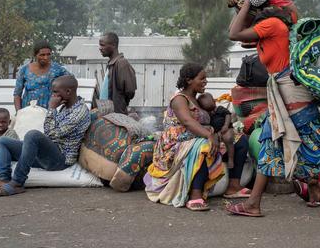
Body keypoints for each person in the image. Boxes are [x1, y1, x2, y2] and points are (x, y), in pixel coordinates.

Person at [227, 1, 320, 219]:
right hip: (281, 96)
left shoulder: (272, 25)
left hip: (293, 97)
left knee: (318, 145)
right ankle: (253, 203)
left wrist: (247, 3)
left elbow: (234, 33)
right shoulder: (269, 33)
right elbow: (240, 34)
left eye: (244, 16)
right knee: (270, 144)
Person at [0, 75, 90, 196]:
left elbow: (51, 133)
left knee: (32, 135)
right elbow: (50, 132)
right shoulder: (65, 107)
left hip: (60, 159)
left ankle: (17, 182)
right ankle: (3, 179)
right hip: (48, 153)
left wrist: (51, 108)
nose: (52, 96)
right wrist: (54, 109)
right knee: (1, 141)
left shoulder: (79, 112)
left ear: (68, 92)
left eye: (55, 92)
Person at [144, 64, 223, 211]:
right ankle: (195, 195)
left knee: (240, 140)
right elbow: (187, 121)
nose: (206, 82)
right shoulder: (179, 99)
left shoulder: (198, 100)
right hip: (174, 145)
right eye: (202, 78)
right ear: (188, 80)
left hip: (195, 137)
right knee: (204, 146)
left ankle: (233, 186)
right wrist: (209, 135)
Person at [13, 40, 71, 111]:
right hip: (28, 113)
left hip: (48, 112)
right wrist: (19, 113)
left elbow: (71, 82)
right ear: (35, 55)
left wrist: (61, 100)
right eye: (42, 55)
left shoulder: (57, 69)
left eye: (48, 54)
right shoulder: (24, 70)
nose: (46, 57)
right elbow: (17, 95)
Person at [94, 32, 137, 115]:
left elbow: (130, 91)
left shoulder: (121, 63)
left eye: (102, 45)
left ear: (113, 45)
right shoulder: (111, 64)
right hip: (107, 113)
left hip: (116, 115)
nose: (100, 48)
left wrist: (120, 103)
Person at [197, 92, 236, 175]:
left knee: (228, 139)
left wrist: (226, 125)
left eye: (212, 109)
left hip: (227, 128)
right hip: (216, 132)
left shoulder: (220, 108)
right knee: (214, 143)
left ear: (215, 102)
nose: (212, 112)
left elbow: (228, 115)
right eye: (208, 110)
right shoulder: (206, 115)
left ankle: (231, 159)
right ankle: (217, 160)